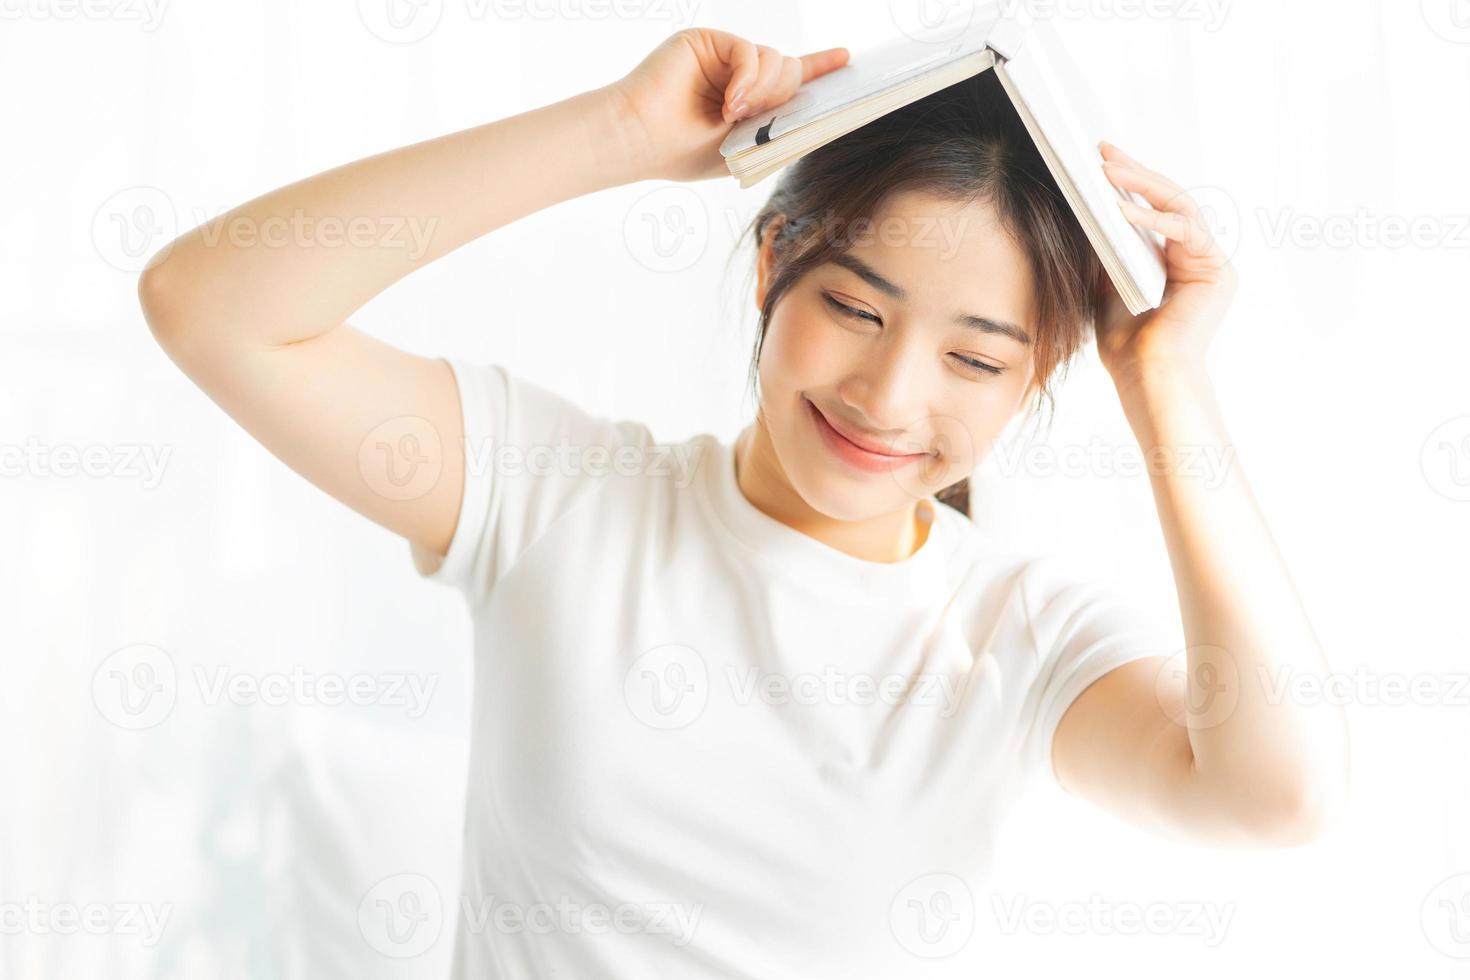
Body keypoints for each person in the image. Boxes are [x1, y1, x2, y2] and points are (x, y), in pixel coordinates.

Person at [137, 27, 1348, 978]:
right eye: (856, 310)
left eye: (975, 359)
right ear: (774, 262)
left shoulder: (1012, 637)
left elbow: (1275, 792)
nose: (885, 394)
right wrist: (615, 131)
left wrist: (1165, 381)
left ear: (1037, 374)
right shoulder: (558, 492)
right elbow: (210, 303)